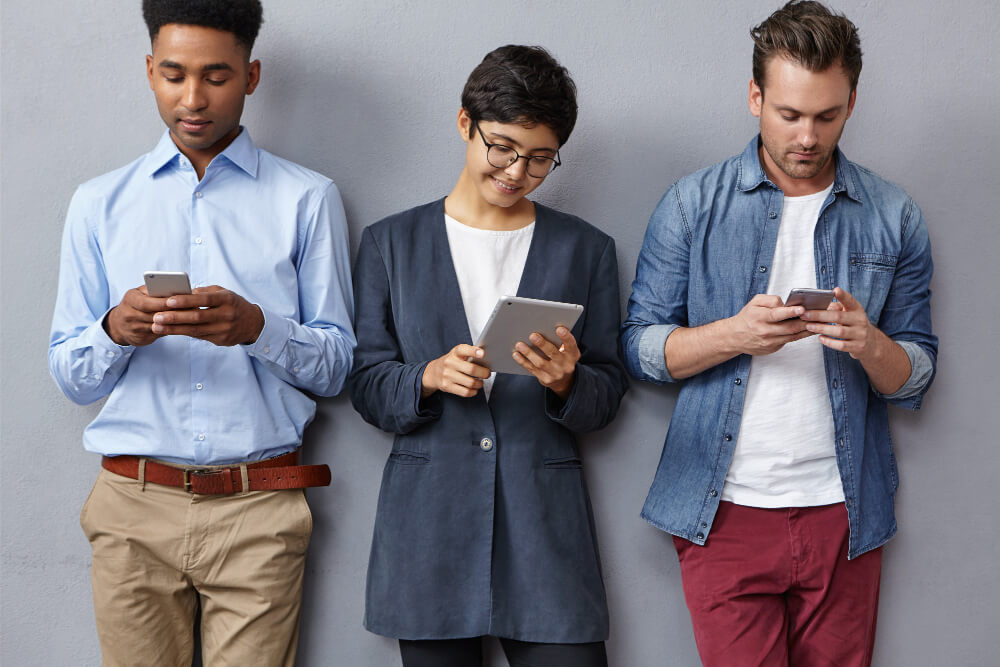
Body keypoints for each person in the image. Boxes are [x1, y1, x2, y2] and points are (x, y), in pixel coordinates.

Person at [621, 2, 937, 665]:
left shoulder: (894, 215)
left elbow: (917, 373)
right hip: (723, 510)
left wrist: (867, 342)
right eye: (789, 114)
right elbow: (640, 348)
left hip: (845, 512)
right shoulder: (691, 204)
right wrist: (733, 334)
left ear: (852, 101)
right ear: (755, 96)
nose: (807, 136)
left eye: (827, 115)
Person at [47, 1, 355, 664]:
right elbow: (70, 375)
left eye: (216, 76)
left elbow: (336, 366)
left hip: (259, 510)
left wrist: (257, 327)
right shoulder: (98, 203)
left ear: (251, 75)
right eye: (174, 73)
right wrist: (113, 329)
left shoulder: (307, 198)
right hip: (132, 507)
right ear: (149, 72)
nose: (193, 97)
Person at [349, 45, 627, 667]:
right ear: (464, 124)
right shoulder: (391, 243)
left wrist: (567, 383)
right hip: (429, 531)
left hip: (546, 529)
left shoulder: (586, 250)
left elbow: (608, 393)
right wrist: (426, 377)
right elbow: (365, 383)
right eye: (501, 146)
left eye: (538, 159)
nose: (515, 171)